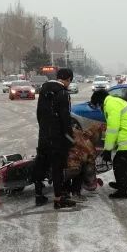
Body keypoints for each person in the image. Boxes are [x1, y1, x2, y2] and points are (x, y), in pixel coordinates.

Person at [90, 90, 127, 199]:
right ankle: (122, 183)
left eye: (97, 105)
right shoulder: (115, 101)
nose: (98, 108)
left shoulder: (110, 105)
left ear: (100, 101)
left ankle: (124, 191)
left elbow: (113, 129)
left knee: (119, 163)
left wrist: (108, 149)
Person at [33, 68, 75, 209]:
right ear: (68, 79)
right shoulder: (63, 93)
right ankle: (58, 199)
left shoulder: (44, 90)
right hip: (57, 138)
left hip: (44, 135)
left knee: (42, 163)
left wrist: (44, 129)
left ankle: (39, 195)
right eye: (70, 80)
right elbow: (65, 119)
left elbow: (39, 114)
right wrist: (70, 139)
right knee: (57, 168)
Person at [64, 123, 106, 200]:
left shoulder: (79, 133)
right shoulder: (90, 147)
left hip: (62, 160)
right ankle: (75, 192)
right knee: (82, 168)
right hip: (71, 166)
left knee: (76, 164)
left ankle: (65, 190)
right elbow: (90, 167)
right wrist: (93, 181)